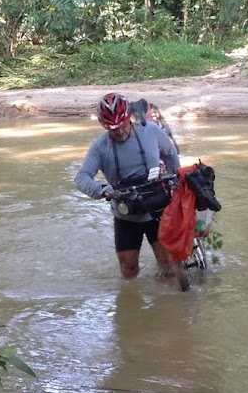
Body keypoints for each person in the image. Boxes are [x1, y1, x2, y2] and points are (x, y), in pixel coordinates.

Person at [75, 92, 181, 279]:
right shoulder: (100, 147)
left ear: (130, 117)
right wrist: (101, 190)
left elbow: (171, 154)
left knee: (168, 267)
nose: (120, 132)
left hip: (157, 206)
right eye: (113, 128)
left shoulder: (151, 131)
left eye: (122, 125)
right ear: (104, 126)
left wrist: (177, 181)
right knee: (128, 271)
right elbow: (82, 177)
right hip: (126, 212)